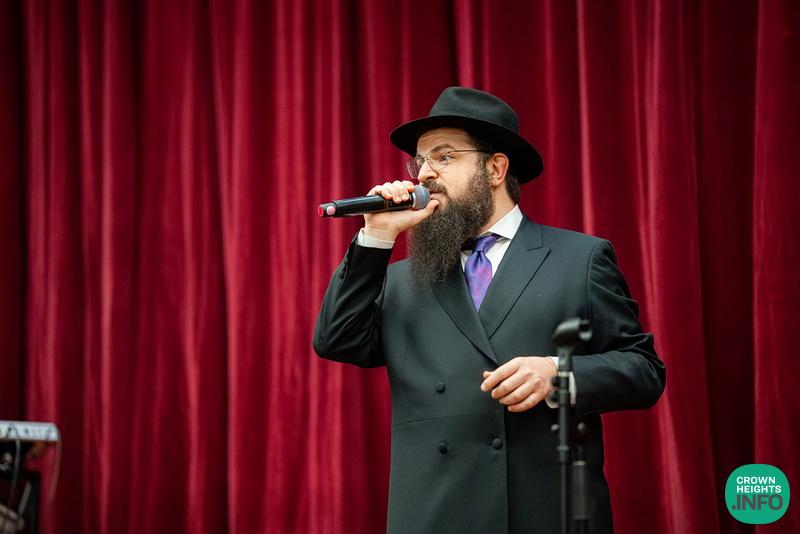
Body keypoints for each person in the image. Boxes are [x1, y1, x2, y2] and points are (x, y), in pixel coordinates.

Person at [313, 87, 666, 534]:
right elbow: (337, 340)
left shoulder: (580, 259)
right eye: (419, 161)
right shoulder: (401, 278)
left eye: (444, 157)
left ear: (495, 169)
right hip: (433, 516)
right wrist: (377, 235)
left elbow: (643, 371)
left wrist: (558, 375)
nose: (424, 174)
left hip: (545, 514)